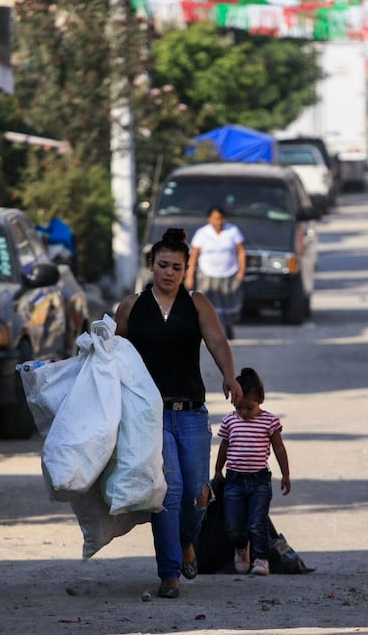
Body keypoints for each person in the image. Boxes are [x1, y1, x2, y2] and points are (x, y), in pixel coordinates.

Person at [115, 228, 242, 600]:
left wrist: (230, 376)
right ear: (151, 265)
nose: (169, 273)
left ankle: (187, 540)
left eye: (176, 267)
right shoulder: (132, 307)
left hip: (191, 414)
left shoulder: (197, 304)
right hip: (150, 416)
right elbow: (114, 356)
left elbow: (217, 341)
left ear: (187, 270)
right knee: (167, 494)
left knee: (196, 493)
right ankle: (169, 573)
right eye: (163, 265)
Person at [213, 367, 290, 577]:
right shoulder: (230, 421)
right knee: (234, 526)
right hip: (234, 480)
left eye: (249, 407)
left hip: (259, 481)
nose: (244, 413)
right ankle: (241, 548)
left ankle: (261, 559)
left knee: (258, 522)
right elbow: (224, 446)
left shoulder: (270, 422)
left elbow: (279, 448)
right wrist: (218, 469)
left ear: (260, 400)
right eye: (239, 408)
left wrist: (285, 474)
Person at [186, 206, 246, 340]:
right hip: (207, 274)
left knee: (228, 302)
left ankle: (228, 327)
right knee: (205, 303)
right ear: (209, 219)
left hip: (228, 274)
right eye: (215, 218)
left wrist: (241, 271)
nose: (218, 221)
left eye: (220, 218)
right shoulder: (202, 233)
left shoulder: (233, 231)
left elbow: (241, 252)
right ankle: (205, 332)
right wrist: (189, 276)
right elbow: (194, 255)